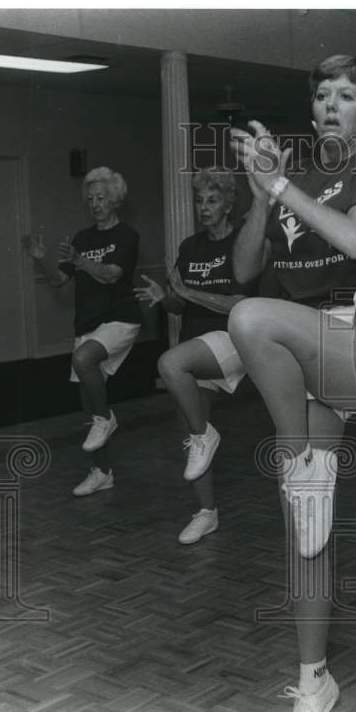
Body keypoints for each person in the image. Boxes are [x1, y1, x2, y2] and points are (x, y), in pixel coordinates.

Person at [226, 54, 356, 712]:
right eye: (325, 94)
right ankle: (314, 679)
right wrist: (258, 190)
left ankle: (299, 459)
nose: (334, 103)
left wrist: (281, 190)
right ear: (312, 113)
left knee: (250, 320)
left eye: (349, 95)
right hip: (306, 359)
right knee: (305, 529)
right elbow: (247, 267)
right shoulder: (287, 181)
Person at [135, 168, 255, 544]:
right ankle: (206, 513)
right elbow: (178, 304)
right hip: (196, 343)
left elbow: (239, 304)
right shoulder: (189, 247)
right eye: (200, 201)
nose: (204, 208)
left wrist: (190, 294)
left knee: (169, 364)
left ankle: (206, 435)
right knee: (191, 434)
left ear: (229, 204)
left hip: (232, 339)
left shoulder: (243, 244)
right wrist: (165, 298)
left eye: (213, 200)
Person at [23, 167, 141, 496]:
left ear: (115, 199)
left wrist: (81, 262)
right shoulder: (82, 238)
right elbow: (60, 280)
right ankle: (101, 472)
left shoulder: (126, 236)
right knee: (87, 403)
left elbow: (113, 275)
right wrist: (41, 260)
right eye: (90, 199)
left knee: (83, 359)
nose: (95, 204)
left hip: (121, 318)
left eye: (101, 198)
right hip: (88, 323)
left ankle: (107, 418)